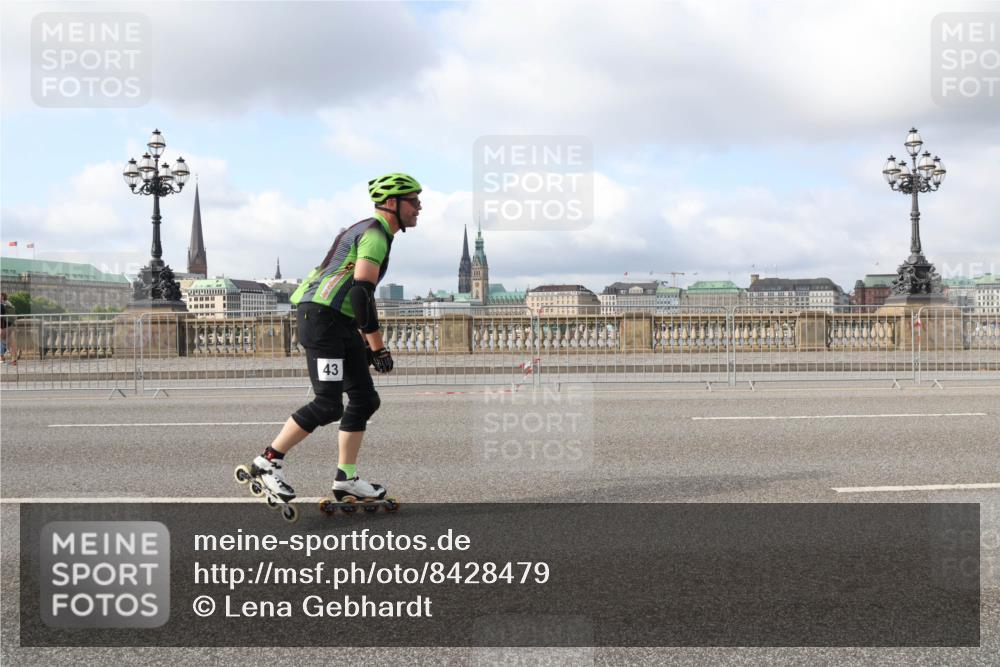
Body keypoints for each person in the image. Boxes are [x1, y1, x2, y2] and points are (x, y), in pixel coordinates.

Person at [245, 173, 422, 505]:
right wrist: (377, 346)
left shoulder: (365, 229)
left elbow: (350, 297)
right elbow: (360, 295)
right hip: (322, 320)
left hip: (338, 321)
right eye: (414, 201)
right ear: (392, 203)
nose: (419, 207)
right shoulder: (374, 235)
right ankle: (267, 461)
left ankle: (346, 479)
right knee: (328, 404)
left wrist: (362, 343)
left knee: (365, 399)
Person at [0, 293, 18, 366]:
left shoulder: (1, 306)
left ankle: (2, 358)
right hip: (10, 326)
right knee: (11, 343)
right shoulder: (8, 305)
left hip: (3, 327)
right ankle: (14, 360)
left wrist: (0, 328)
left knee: (3, 343)